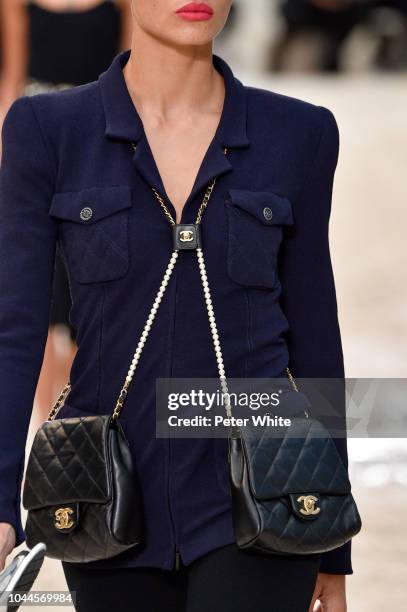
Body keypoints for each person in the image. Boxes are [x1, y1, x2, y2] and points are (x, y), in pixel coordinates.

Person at [0, 1, 354, 610]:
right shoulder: (47, 130)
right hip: (105, 500)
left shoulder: (300, 133)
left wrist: (331, 540)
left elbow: (316, 337)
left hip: (266, 495)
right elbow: (14, 331)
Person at [0, 0, 132, 420]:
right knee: (36, 299)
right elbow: (14, 76)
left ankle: (80, 432)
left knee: (88, 297)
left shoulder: (124, 3)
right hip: (37, 145)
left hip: (99, 142)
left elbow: (131, 73)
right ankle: (48, 437)